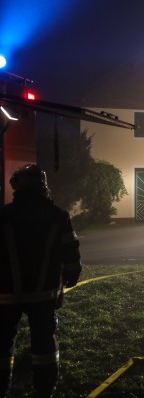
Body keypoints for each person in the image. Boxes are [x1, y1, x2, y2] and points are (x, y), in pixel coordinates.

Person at [0, 164, 81, 398]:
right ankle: (44, 389)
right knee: (44, 343)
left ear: (17, 186)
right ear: (43, 186)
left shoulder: (3, 215)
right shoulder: (58, 215)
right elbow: (71, 251)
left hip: (6, 295)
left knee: (3, 343)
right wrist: (72, 275)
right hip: (44, 295)